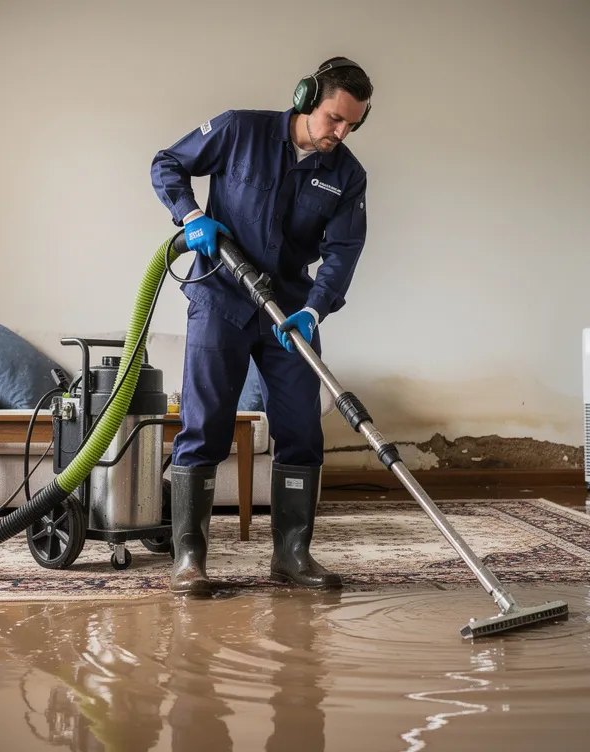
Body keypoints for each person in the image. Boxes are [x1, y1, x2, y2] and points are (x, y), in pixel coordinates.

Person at [150, 57, 373, 597]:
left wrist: (315, 309)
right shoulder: (238, 130)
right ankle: (190, 558)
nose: (339, 133)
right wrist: (190, 215)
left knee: (301, 429)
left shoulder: (347, 174)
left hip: (288, 311)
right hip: (220, 296)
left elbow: (344, 251)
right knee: (205, 427)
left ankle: (292, 554)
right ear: (305, 97)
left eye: (352, 125)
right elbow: (166, 164)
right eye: (333, 118)